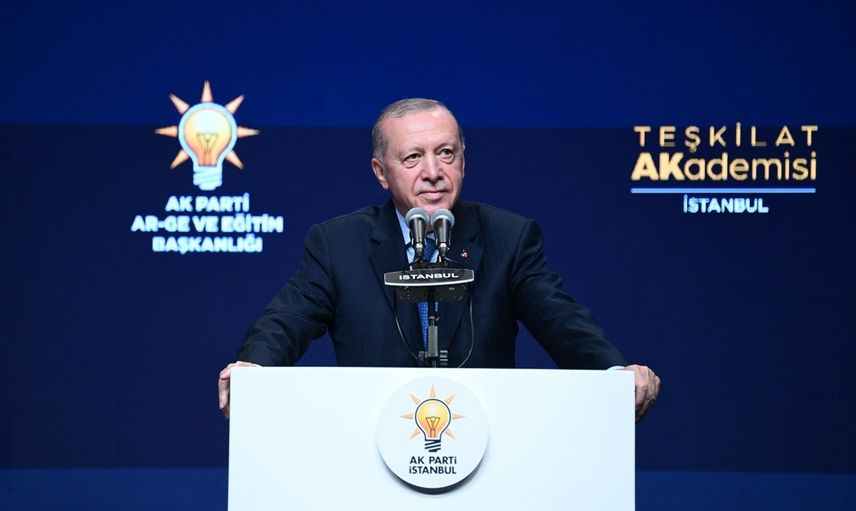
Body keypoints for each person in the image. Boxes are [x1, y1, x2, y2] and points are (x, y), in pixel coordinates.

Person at [219, 98, 660, 420]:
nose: (433, 172)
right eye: (413, 157)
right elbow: (289, 318)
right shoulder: (338, 243)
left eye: (446, 153)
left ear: (463, 160)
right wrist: (252, 368)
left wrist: (613, 371)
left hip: (484, 450)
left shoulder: (508, 237)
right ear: (380, 172)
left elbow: (559, 318)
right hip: (369, 452)